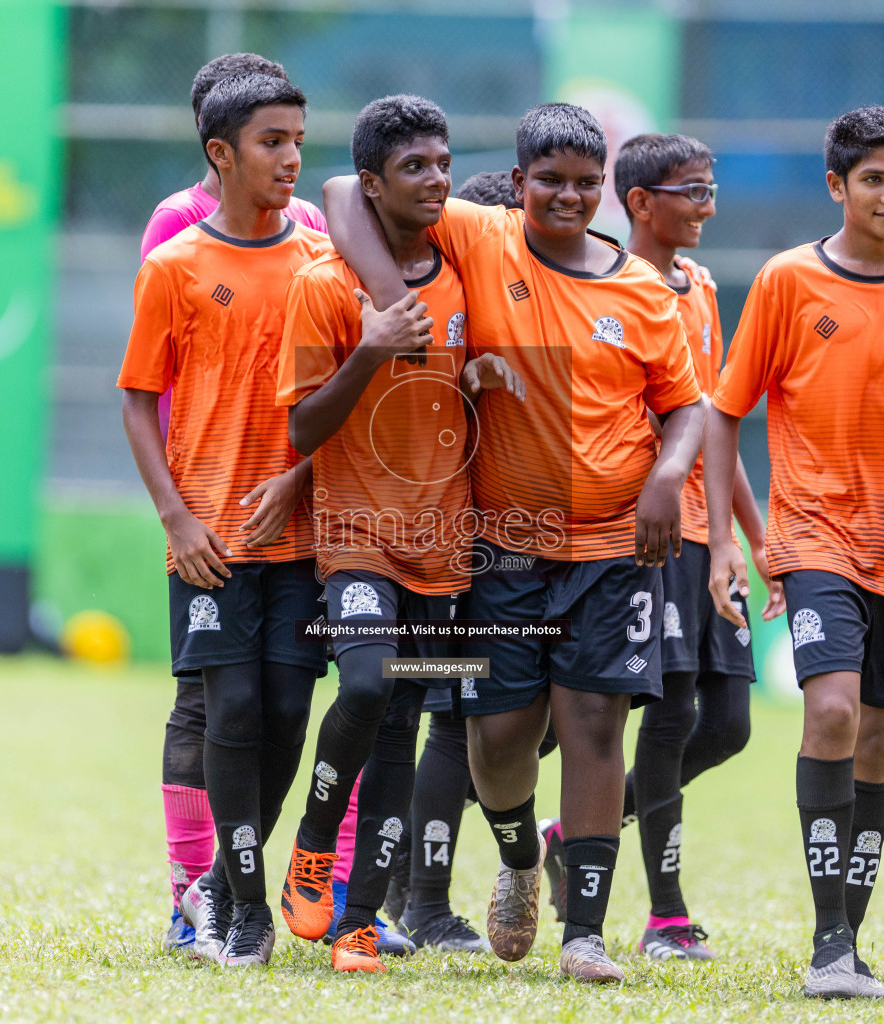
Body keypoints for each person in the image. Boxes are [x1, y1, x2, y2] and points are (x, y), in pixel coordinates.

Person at [326, 102, 705, 983]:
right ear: (521, 182)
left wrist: (663, 480)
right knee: (497, 743)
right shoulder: (483, 237)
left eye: (584, 184)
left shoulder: (641, 290)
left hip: (614, 545)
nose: (568, 198)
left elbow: (686, 404)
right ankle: (523, 861)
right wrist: (395, 304)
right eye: (550, 182)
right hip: (503, 547)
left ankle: (587, 934)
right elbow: (345, 191)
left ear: (604, 189)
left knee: (594, 727)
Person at [703, 105, 884, 998]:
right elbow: (723, 412)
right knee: (831, 713)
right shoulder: (789, 282)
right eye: (874, 179)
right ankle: (830, 945)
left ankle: (853, 940)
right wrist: (724, 543)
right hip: (817, 536)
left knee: (880, 739)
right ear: (837, 186)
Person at [277, 94, 523, 973]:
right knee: (370, 681)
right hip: (355, 536)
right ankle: (312, 842)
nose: (436, 180)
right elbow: (304, 430)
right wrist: (371, 347)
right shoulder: (322, 285)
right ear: (375, 185)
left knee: (403, 725)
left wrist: (488, 377)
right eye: (414, 167)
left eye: (443, 163)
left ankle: (357, 923)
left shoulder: (464, 270)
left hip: (444, 544)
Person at [118, 72, 328, 967]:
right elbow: (136, 400)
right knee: (229, 706)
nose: (291, 157)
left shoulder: (322, 266)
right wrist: (175, 519)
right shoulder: (176, 265)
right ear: (221, 153)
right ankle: (246, 907)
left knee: (285, 714)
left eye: (296, 139)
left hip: (306, 537)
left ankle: (220, 888)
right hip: (208, 537)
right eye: (272, 141)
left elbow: (348, 399)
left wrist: (306, 476)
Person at [605, 131, 783, 962]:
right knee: (672, 713)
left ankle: (576, 828)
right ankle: (666, 917)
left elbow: (715, 421)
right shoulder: (610, 284)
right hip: (652, 534)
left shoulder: (702, 287)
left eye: (712, 190)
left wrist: (749, 539)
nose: (709, 206)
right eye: (693, 192)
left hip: (707, 538)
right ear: (642, 202)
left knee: (731, 725)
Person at [388, 168, 522, 955]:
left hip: (520, 545)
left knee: (506, 721)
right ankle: (421, 899)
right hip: (453, 540)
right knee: (448, 714)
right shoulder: (448, 301)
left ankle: (405, 880)